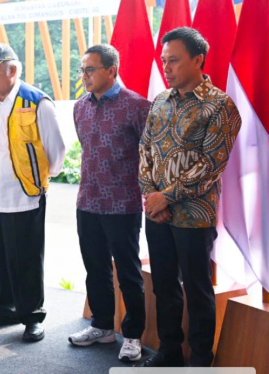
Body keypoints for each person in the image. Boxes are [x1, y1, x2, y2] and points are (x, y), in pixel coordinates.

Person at [134, 27, 241, 367]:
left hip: (194, 216)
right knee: (164, 286)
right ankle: (169, 350)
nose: (166, 67)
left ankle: (199, 359)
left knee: (197, 291)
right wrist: (152, 196)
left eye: (174, 60)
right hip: (157, 212)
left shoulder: (220, 106)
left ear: (198, 60)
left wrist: (167, 197)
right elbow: (146, 149)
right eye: (164, 61)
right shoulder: (161, 100)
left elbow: (211, 165)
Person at [0, 44, 65, 342]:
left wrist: (38, 180)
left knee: (26, 259)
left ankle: (32, 315)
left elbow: (57, 151)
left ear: (12, 71)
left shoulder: (37, 101)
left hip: (23, 195)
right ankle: (5, 308)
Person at [68, 44, 150, 362]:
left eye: (90, 69)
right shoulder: (79, 107)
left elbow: (151, 155)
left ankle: (132, 336)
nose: (84, 76)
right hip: (87, 201)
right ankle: (102, 326)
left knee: (128, 272)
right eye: (82, 70)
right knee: (95, 268)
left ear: (111, 70)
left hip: (123, 204)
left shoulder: (137, 106)